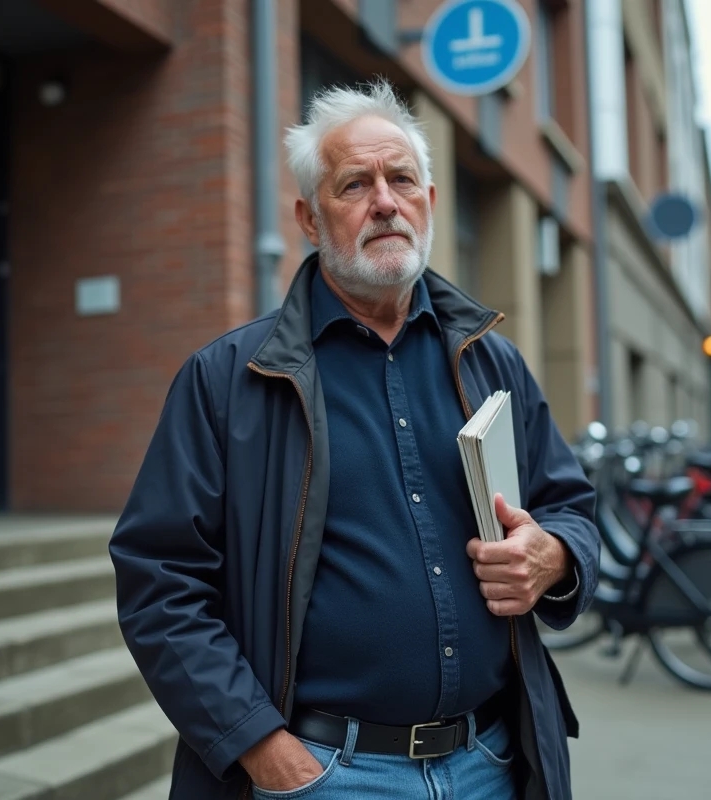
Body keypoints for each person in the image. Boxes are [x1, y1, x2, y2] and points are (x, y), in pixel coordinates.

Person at [109, 79, 600, 800]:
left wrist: (552, 556)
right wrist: (260, 747)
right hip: (326, 774)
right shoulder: (228, 380)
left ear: (430, 202)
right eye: (355, 185)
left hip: (493, 762)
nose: (385, 202)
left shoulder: (491, 362)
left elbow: (571, 506)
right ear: (309, 219)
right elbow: (161, 582)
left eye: (402, 179)